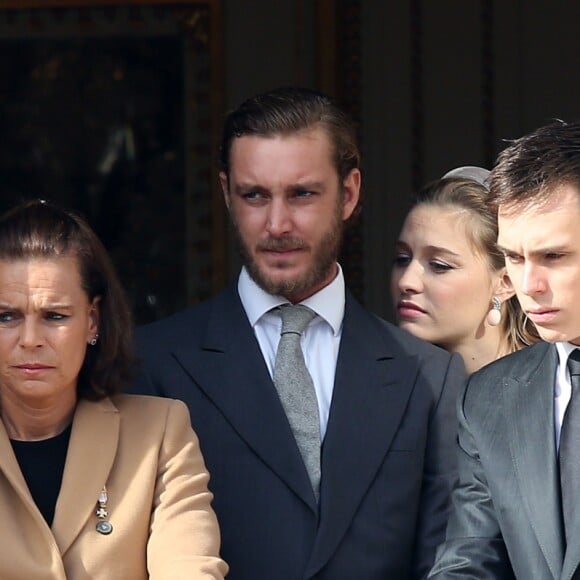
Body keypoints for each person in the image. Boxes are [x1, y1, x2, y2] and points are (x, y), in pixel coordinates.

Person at [131, 86, 465, 579]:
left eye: (302, 194)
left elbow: (449, 560)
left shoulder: (430, 375)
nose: (277, 223)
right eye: (254, 196)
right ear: (226, 194)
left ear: (349, 193)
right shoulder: (154, 362)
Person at [0, 200, 227, 579]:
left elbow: (191, 567)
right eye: (7, 316)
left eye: (54, 316)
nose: (30, 339)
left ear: (92, 321)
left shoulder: (158, 434)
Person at [429, 119, 580, 579]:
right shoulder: (489, 398)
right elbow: (470, 560)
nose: (528, 286)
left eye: (553, 256)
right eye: (514, 258)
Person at [391, 166, 538, 373]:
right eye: (402, 259)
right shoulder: (388, 387)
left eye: (439, 265)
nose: (406, 282)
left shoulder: (560, 388)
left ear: (505, 282)